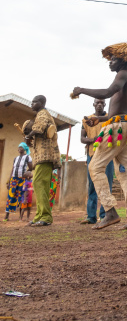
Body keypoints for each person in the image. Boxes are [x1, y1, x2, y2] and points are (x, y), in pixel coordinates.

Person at [72, 42, 127, 230]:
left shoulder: (123, 75)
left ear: (123, 60)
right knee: (125, 173)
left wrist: (82, 90)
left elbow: (106, 92)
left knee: (95, 167)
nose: (110, 63)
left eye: (113, 59)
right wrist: (99, 118)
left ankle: (110, 212)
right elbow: (116, 113)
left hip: (117, 129)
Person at [23, 96, 61, 226]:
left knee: (39, 184)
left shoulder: (43, 114)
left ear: (42, 103)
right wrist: (29, 139)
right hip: (41, 157)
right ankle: (40, 215)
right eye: (32, 101)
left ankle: (45, 216)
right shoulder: (40, 115)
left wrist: (29, 135)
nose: (32, 104)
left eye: (34, 102)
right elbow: (40, 134)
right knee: (40, 186)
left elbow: (40, 127)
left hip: (46, 156)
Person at [80, 98, 114, 225]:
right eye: (97, 103)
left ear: (105, 105)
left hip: (107, 155)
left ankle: (106, 215)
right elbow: (82, 139)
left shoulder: (109, 118)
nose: (99, 105)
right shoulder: (86, 120)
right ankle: (91, 216)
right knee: (92, 186)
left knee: (107, 184)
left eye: (102, 103)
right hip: (92, 155)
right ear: (93, 104)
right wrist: (94, 139)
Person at [4, 142, 32, 221]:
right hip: (14, 179)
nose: (20, 148)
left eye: (21, 147)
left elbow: (30, 168)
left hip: (22, 180)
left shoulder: (27, 157)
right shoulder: (15, 158)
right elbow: (13, 169)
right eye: (19, 147)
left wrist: (26, 174)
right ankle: (7, 216)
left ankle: (21, 217)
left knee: (21, 196)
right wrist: (9, 180)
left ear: (25, 149)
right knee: (11, 196)